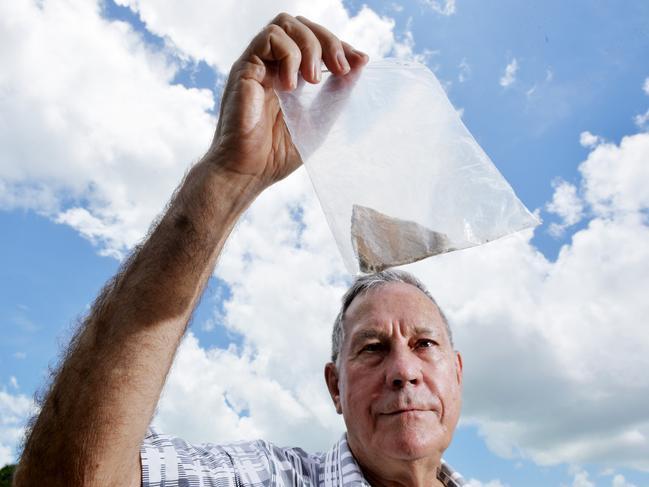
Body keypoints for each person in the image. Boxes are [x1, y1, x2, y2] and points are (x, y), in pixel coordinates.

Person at [14, 13, 464, 487]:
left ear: (455, 372)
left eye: (425, 344)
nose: (402, 372)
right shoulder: (270, 478)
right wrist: (229, 178)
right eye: (371, 349)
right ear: (336, 387)